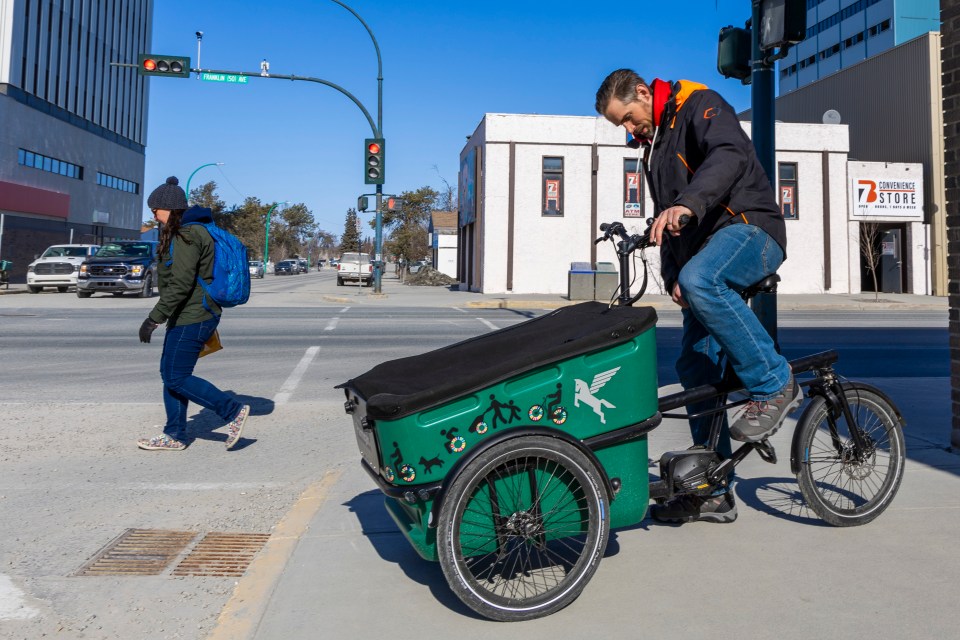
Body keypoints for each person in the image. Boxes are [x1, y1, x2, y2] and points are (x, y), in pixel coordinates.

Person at [595, 69, 802, 524]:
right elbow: (668, 220)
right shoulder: (653, 149)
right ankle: (713, 490)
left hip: (751, 229)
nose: (628, 129)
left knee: (701, 279)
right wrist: (674, 275)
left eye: (627, 117)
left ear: (643, 94)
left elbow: (728, 155)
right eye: (620, 125)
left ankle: (774, 381)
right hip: (705, 255)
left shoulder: (699, 105)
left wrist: (688, 204)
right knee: (694, 366)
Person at [137, 176, 249, 451]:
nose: (153, 214)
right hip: (188, 314)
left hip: (194, 315)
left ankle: (231, 410)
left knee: (176, 376)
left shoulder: (187, 235)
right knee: (171, 374)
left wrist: (154, 318)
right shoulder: (185, 232)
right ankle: (174, 434)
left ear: (170, 208)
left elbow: (181, 283)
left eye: (155, 209)